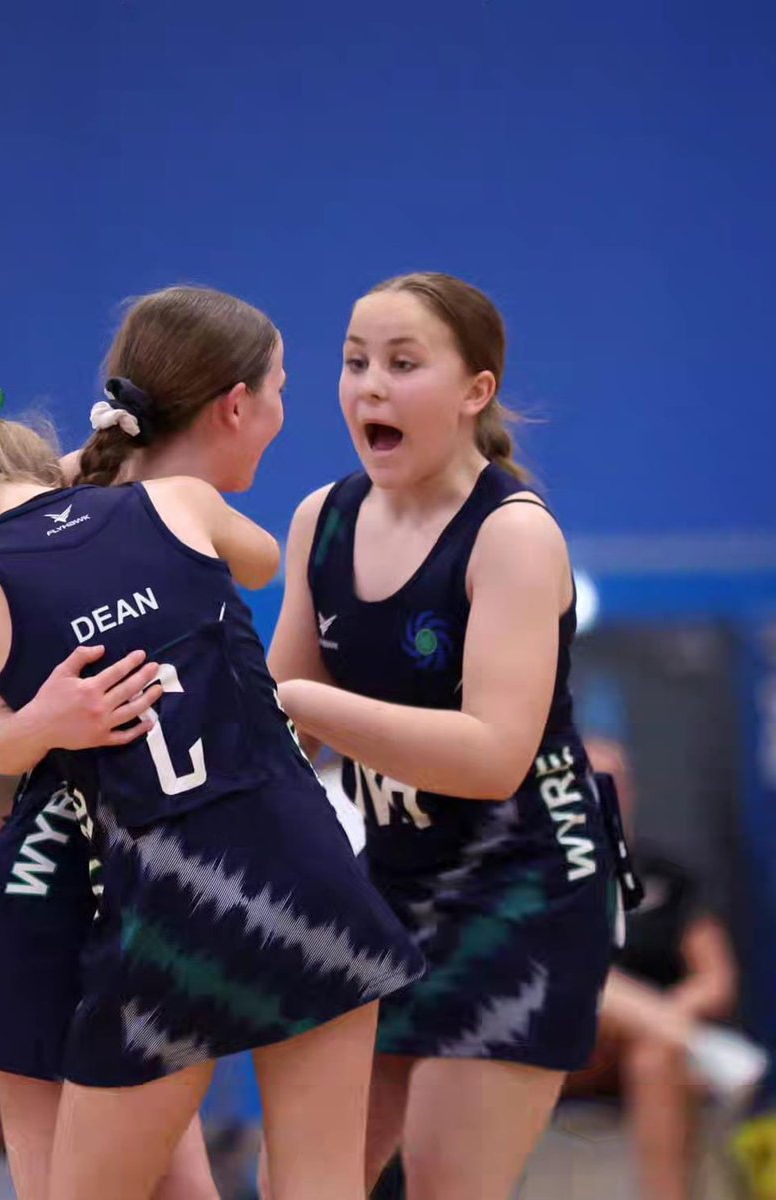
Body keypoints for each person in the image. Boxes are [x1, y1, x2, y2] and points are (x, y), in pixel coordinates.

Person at [0, 288, 425, 1200]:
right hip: (307, 872)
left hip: (180, 911)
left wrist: (38, 720)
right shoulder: (176, 500)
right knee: (323, 1184)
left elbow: (5, 737)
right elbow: (258, 561)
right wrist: (104, 477)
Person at [266, 272, 615, 1200]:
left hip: (524, 890)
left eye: (401, 364)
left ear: (475, 393)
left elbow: (491, 754)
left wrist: (304, 703)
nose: (368, 386)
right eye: (352, 362)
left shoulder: (512, 536)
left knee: (444, 1184)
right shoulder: (320, 521)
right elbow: (277, 736)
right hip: (391, 889)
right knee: (302, 1180)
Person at [564, 735, 762, 1200]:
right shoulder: (538, 878)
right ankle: (705, 1047)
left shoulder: (668, 877)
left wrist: (660, 1015)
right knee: (586, 981)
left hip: (648, 1050)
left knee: (655, 1054)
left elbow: (716, 981)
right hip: (567, 1040)